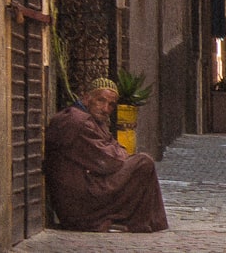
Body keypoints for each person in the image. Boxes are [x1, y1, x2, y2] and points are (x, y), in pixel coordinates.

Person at [44, 77, 169, 233]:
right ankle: (141, 222)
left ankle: (141, 221)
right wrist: (116, 152)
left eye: (111, 105)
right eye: (101, 101)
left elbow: (114, 150)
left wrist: (115, 151)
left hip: (81, 194)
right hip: (80, 201)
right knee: (143, 163)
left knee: (140, 163)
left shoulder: (90, 120)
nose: (105, 108)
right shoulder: (79, 122)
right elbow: (111, 160)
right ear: (86, 98)